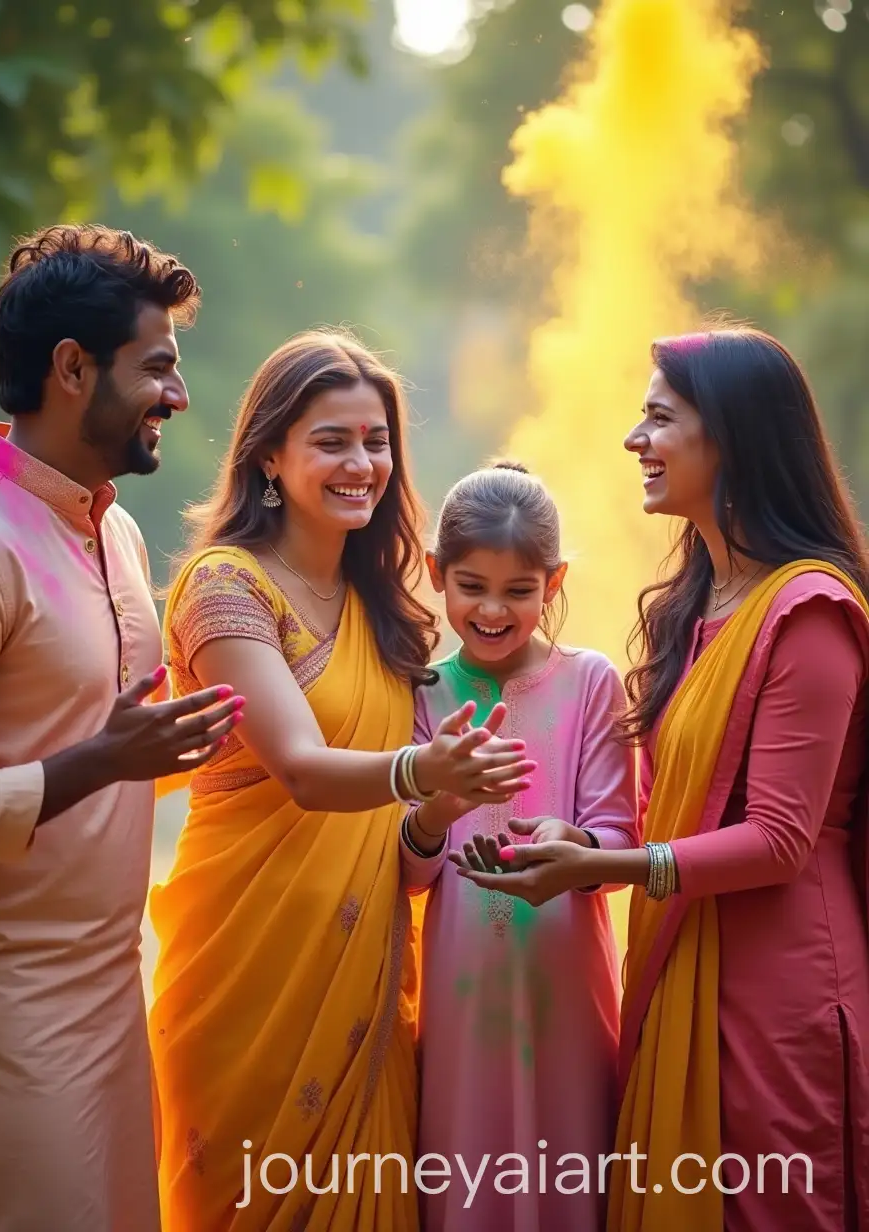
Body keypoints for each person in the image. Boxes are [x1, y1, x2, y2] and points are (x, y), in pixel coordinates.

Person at [452, 328, 869, 1232]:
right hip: (689, 953)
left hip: (779, 981)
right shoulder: (702, 605)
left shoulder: (810, 613)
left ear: (731, 437)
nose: (635, 441)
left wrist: (613, 869)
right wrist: (590, 850)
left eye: (658, 419)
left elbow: (783, 838)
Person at [147, 330, 535, 1232]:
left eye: (376, 440)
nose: (362, 463)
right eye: (332, 441)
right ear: (270, 458)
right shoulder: (225, 588)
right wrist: (418, 769)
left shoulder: (383, 606)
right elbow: (303, 772)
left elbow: (399, 848)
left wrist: (442, 805)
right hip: (247, 968)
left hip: (362, 982)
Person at [0, 224, 243, 1232]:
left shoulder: (108, 524)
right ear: (72, 369)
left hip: (118, 1001)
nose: (179, 394)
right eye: (156, 366)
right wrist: (99, 760)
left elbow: (100, 747)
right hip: (1, 1024)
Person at [397, 461, 637, 1232]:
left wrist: (573, 841)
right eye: (471, 586)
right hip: (461, 984)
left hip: (566, 981)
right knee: (466, 1167)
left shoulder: (591, 682)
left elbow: (620, 838)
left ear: (555, 582)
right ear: (436, 575)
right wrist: (439, 809)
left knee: (573, 1164)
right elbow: (408, 869)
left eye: (519, 591)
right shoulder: (420, 691)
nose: (493, 610)